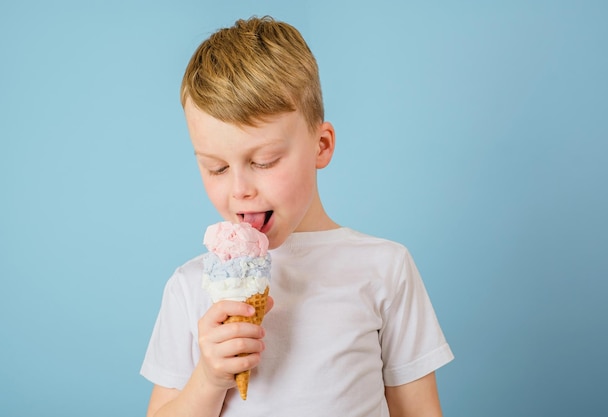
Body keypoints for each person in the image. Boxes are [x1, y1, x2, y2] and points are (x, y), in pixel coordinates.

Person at [140, 15, 454, 417]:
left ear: (321, 146)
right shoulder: (188, 288)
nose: (239, 189)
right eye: (216, 168)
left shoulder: (386, 268)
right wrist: (209, 378)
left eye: (265, 161)